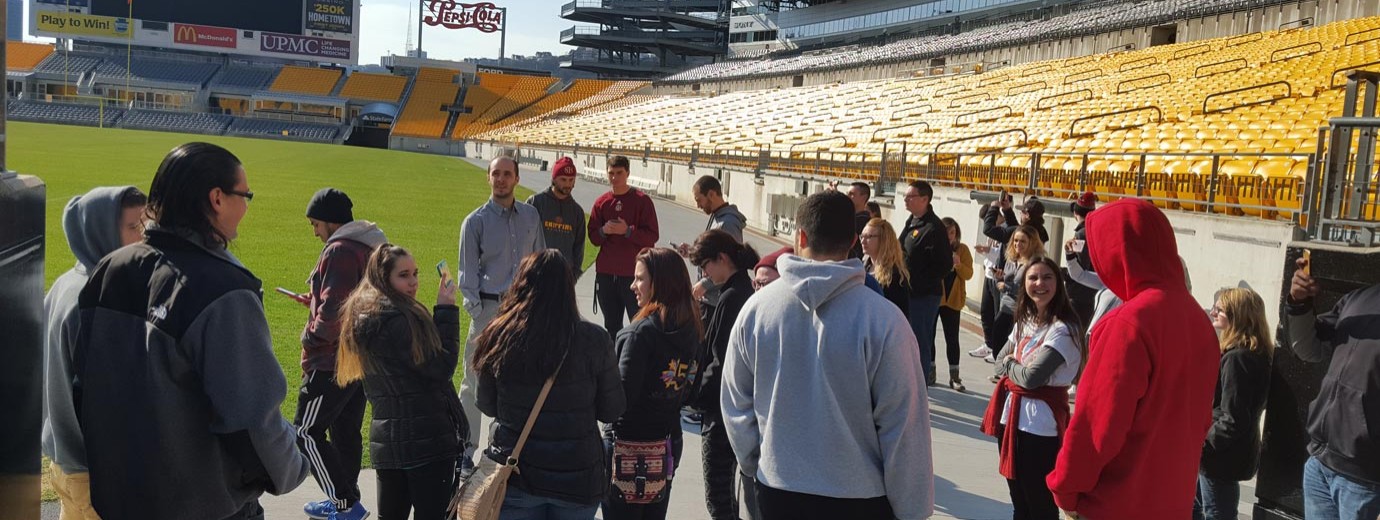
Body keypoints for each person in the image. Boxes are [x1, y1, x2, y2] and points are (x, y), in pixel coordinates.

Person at [73, 142, 308, 519]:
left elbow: (84, 387)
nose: (246, 207)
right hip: (203, 506)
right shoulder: (224, 289)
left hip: (122, 499)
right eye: (245, 195)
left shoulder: (109, 269)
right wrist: (293, 469)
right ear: (217, 198)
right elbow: (251, 420)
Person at [723, 191, 933, 520]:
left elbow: (736, 403)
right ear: (852, 240)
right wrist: (912, 510)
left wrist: (756, 463)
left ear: (800, 235)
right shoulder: (884, 320)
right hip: (859, 497)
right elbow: (904, 426)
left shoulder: (757, 309)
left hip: (776, 490)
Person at [1047, 199, 1219, 520]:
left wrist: (1066, 489)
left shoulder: (1129, 322)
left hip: (1116, 504)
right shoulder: (1198, 319)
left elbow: (1096, 426)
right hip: (1172, 501)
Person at [473, 250, 625, 519]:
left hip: (518, 472)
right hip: (577, 478)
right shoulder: (594, 339)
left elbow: (486, 404)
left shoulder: (499, 334)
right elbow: (611, 410)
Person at [334, 244, 464, 520]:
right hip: (427, 443)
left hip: (388, 445)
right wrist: (446, 311)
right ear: (384, 278)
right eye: (404, 275)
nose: (414, 282)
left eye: (415, 273)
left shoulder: (360, 317)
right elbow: (442, 367)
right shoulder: (402, 319)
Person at [43, 186, 145, 520]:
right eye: (133, 227)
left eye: (145, 224)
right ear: (102, 231)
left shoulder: (65, 283)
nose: (144, 237)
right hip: (94, 470)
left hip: (64, 458)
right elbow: (107, 399)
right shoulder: (95, 300)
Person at [294, 187, 386, 520]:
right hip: (360, 357)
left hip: (331, 360)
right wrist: (314, 300)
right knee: (345, 432)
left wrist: (310, 334)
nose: (315, 232)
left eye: (316, 224)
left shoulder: (341, 250)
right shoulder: (369, 245)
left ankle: (345, 503)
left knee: (305, 432)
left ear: (331, 221)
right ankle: (347, 499)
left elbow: (333, 313)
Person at [457, 156, 546, 466]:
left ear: (517, 179)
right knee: (474, 381)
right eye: (496, 173)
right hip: (488, 310)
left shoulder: (531, 217)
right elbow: (467, 277)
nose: (501, 179)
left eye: (507, 174)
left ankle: (502, 446)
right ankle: (465, 449)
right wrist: (480, 314)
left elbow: (539, 265)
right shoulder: (475, 221)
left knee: (513, 381)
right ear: (489, 178)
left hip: (522, 311)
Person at [603, 248, 703, 520]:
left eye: (639, 279)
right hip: (667, 443)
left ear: (658, 283)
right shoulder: (693, 330)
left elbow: (619, 402)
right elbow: (690, 388)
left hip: (628, 448)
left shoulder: (637, 334)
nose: (632, 285)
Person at [981, 256, 1085, 520]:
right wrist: (1012, 364)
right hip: (1011, 419)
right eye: (1033, 278)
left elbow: (1031, 378)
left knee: (1039, 504)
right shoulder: (1025, 321)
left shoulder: (1064, 329)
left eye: (1047, 277)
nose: (1040, 283)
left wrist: (1010, 363)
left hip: (1040, 427)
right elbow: (998, 364)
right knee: (1020, 503)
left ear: (1059, 284)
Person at [1286, 254, 1380, 520]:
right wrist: (1299, 302)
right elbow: (1308, 348)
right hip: (1319, 462)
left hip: (1366, 479)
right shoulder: (1358, 298)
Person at [688, 230, 760, 520]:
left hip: (721, 411)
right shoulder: (738, 289)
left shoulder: (733, 295)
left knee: (718, 496)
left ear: (723, 258)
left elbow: (720, 362)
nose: (704, 273)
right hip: (731, 406)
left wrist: (693, 397)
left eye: (706, 265)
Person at [1194, 287, 1272, 520]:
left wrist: (1203, 445)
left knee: (1217, 513)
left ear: (1237, 315)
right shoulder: (1251, 353)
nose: (1213, 312)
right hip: (1225, 453)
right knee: (1197, 506)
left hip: (1220, 455)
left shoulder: (1238, 359)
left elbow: (1233, 418)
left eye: (1220, 309)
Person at [589, 155, 660, 338]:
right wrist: (604, 230)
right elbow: (593, 237)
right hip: (606, 273)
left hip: (633, 275)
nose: (614, 177)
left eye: (619, 173)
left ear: (627, 173)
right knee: (612, 326)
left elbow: (652, 236)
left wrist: (627, 231)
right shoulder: (601, 202)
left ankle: (637, 362)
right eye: (611, 173)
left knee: (639, 323)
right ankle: (614, 363)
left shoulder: (642, 201)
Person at [899, 180, 953, 386]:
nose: (906, 199)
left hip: (923, 295)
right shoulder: (912, 220)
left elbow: (945, 264)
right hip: (908, 292)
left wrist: (920, 280)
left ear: (924, 199)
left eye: (910, 196)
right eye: (905, 196)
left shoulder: (933, 227)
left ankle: (919, 386)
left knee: (919, 340)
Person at [678, 175, 746, 306]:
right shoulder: (718, 217)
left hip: (716, 300)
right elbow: (715, 252)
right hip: (711, 297)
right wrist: (693, 252)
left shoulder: (727, 223)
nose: (698, 205)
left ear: (711, 194)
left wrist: (704, 284)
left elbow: (731, 262)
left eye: (699, 200)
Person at [989, 226, 1045, 379]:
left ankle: (1008, 374)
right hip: (1005, 306)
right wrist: (999, 278)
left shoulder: (1034, 263)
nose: (1017, 245)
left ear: (1032, 243)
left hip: (1020, 311)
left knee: (1010, 345)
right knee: (997, 341)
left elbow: (1029, 289)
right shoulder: (1014, 259)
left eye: (1022, 241)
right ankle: (1003, 373)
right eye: (1015, 241)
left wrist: (1004, 286)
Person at [970, 193, 1015, 360]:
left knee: (998, 314)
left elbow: (1003, 253)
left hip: (1001, 277)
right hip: (990, 274)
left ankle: (997, 348)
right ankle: (989, 344)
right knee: (986, 312)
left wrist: (997, 206)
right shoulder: (996, 233)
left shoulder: (1007, 231)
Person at [526, 156, 587, 277]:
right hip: (537, 272)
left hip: (564, 276)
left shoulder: (577, 212)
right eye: (563, 179)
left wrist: (574, 275)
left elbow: (578, 248)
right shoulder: (535, 203)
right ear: (554, 179)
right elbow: (523, 238)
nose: (568, 184)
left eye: (571, 180)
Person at [939, 217, 973, 392]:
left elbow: (969, 274)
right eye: (945, 232)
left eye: (952, 232)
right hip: (935, 298)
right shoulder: (934, 247)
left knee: (952, 339)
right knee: (928, 336)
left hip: (953, 300)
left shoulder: (963, 250)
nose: (949, 236)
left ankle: (954, 376)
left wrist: (958, 265)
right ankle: (930, 372)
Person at [860, 218, 910, 317]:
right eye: (862, 236)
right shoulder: (863, 266)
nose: (863, 241)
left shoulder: (895, 275)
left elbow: (899, 313)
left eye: (869, 236)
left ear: (884, 240)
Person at [1064, 192, 1098, 334]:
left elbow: (1080, 266)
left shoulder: (1081, 234)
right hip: (1093, 291)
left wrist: (1062, 273)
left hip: (1079, 294)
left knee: (1072, 334)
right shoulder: (1095, 230)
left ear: (1075, 213)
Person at [847, 182, 873, 259]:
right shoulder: (847, 217)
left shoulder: (868, 224)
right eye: (847, 193)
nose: (848, 196)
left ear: (864, 197)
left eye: (852, 194)